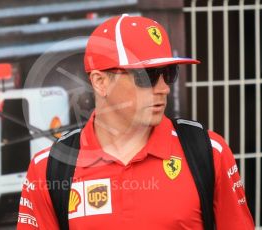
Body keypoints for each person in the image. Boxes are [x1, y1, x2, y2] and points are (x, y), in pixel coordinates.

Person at [17, 14, 254, 229]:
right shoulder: (48, 168)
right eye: (147, 76)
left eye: (168, 74)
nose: (164, 89)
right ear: (100, 82)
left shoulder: (208, 151)